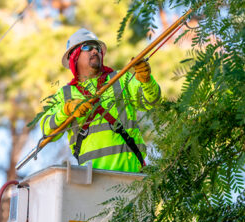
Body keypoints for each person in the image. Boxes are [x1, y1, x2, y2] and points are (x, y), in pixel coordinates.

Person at [40, 28, 161, 172]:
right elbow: (47, 131)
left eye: (97, 48)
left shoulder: (120, 79)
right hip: (91, 181)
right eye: (87, 47)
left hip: (132, 176)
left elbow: (151, 101)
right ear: (74, 56)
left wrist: (147, 80)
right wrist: (66, 110)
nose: (95, 51)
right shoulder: (65, 94)